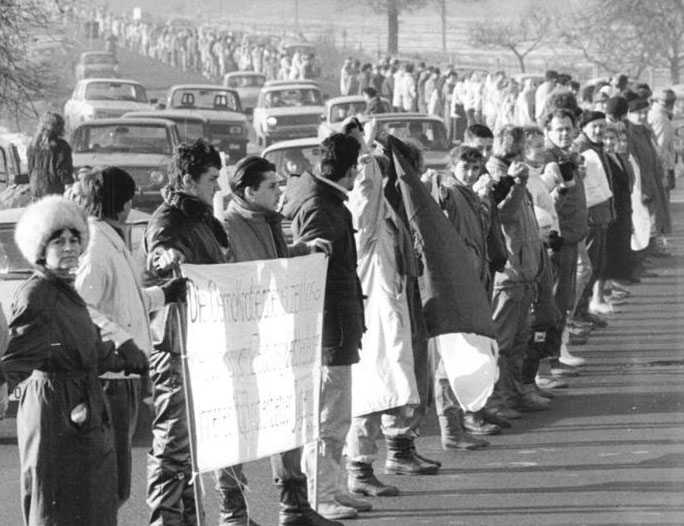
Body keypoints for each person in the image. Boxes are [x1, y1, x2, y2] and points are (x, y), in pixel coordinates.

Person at [1, 196, 146, 526]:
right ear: (41, 248)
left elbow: (82, 349)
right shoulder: (38, 294)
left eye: (73, 240)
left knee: (93, 506)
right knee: (60, 508)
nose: (68, 248)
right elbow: (19, 357)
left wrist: (122, 359)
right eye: (58, 241)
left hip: (82, 409)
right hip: (55, 415)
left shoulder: (66, 292)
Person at [215, 156, 339, 526]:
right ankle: (234, 514)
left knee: (288, 418)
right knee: (233, 427)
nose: (279, 191)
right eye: (271, 185)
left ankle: (294, 506)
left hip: (277, 336)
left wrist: (303, 249)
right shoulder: (226, 227)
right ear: (248, 191)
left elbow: (276, 263)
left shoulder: (269, 223)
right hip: (241, 344)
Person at [73, 166, 186, 512]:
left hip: (125, 378)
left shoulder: (111, 241)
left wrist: (163, 295)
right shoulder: (96, 249)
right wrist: (123, 341)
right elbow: (82, 309)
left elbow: (123, 302)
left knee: (118, 484)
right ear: (124, 203)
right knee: (108, 483)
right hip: (108, 380)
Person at [342, 122, 438, 504]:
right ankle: (360, 469)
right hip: (372, 311)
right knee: (373, 386)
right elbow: (365, 193)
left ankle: (400, 449)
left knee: (403, 377)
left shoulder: (398, 213)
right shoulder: (367, 215)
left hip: (399, 301)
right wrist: (366, 151)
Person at [144, 139, 229, 526]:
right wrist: (167, 258)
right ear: (187, 180)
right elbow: (160, 253)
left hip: (202, 345)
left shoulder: (203, 218)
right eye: (211, 178)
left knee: (193, 449)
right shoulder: (168, 220)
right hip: (176, 347)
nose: (218, 186)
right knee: (173, 446)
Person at [282, 134, 364, 521]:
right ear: (350, 169)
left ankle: (335, 486)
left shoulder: (321, 199)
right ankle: (322, 493)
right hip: (328, 327)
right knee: (329, 415)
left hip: (337, 324)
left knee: (338, 413)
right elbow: (312, 268)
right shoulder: (320, 205)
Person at [485, 125, 547, 418]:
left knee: (520, 340)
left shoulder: (515, 175)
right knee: (503, 343)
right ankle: (496, 399)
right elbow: (502, 215)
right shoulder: (497, 176)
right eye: (522, 148)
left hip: (524, 273)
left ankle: (514, 393)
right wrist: (517, 183)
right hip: (508, 274)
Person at [575, 111, 615, 317]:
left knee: (596, 264)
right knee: (587, 268)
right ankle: (580, 313)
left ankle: (586, 310)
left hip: (600, 215)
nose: (599, 131)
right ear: (584, 128)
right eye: (594, 126)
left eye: (602, 126)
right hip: (589, 216)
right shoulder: (581, 149)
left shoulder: (595, 147)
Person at [27, 111, 74, 200]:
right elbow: (63, 171)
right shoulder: (61, 146)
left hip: (35, 188)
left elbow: (30, 169)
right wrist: (70, 185)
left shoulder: (32, 145)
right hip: (53, 191)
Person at [648, 88, 677, 200]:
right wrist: (665, 170)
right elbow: (661, 146)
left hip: (657, 164)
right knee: (663, 202)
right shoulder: (661, 118)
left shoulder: (654, 113)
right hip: (661, 165)